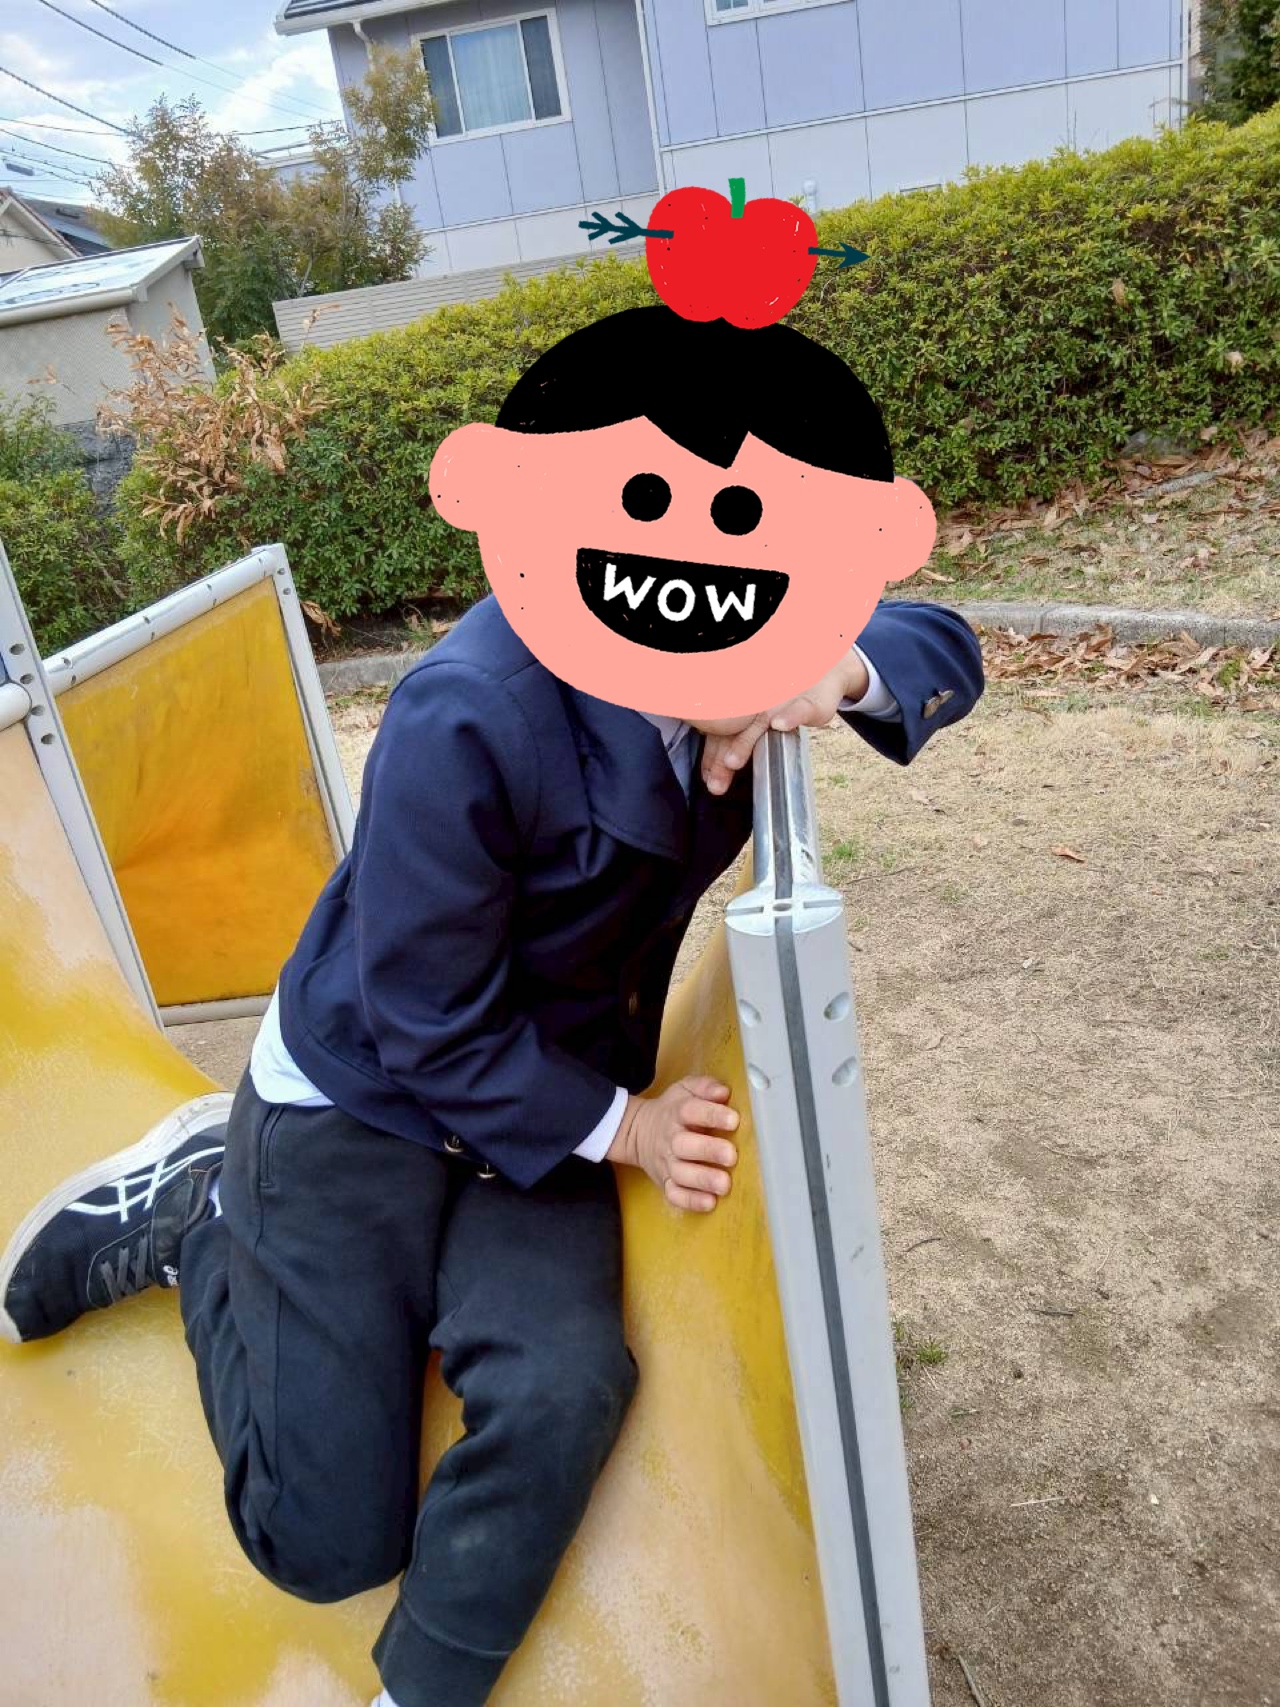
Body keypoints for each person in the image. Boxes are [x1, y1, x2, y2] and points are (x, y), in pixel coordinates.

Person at [1, 304, 983, 1707]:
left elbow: (940, 639)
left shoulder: (764, 621)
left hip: (548, 1092)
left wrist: (836, 664)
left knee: (566, 1386)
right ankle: (200, 1214)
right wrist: (629, 1133)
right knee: (323, 1543)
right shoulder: (467, 712)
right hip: (372, 1094)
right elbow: (424, 1017)